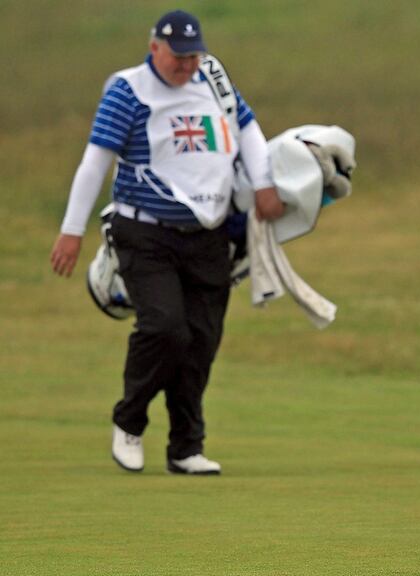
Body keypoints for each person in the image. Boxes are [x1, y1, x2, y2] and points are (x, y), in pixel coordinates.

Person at [49, 10, 285, 475]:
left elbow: (248, 129)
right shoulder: (129, 90)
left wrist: (264, 183)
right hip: (144, 232)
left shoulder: (213, 80)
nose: (186, 66)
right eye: (178, 57)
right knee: (164, 328)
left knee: (200, 341)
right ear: (154, 47)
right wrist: (71, 231)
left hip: (208, 235)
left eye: (193, 56)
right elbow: (95, 162)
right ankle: (130, 423)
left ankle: (185, 447)